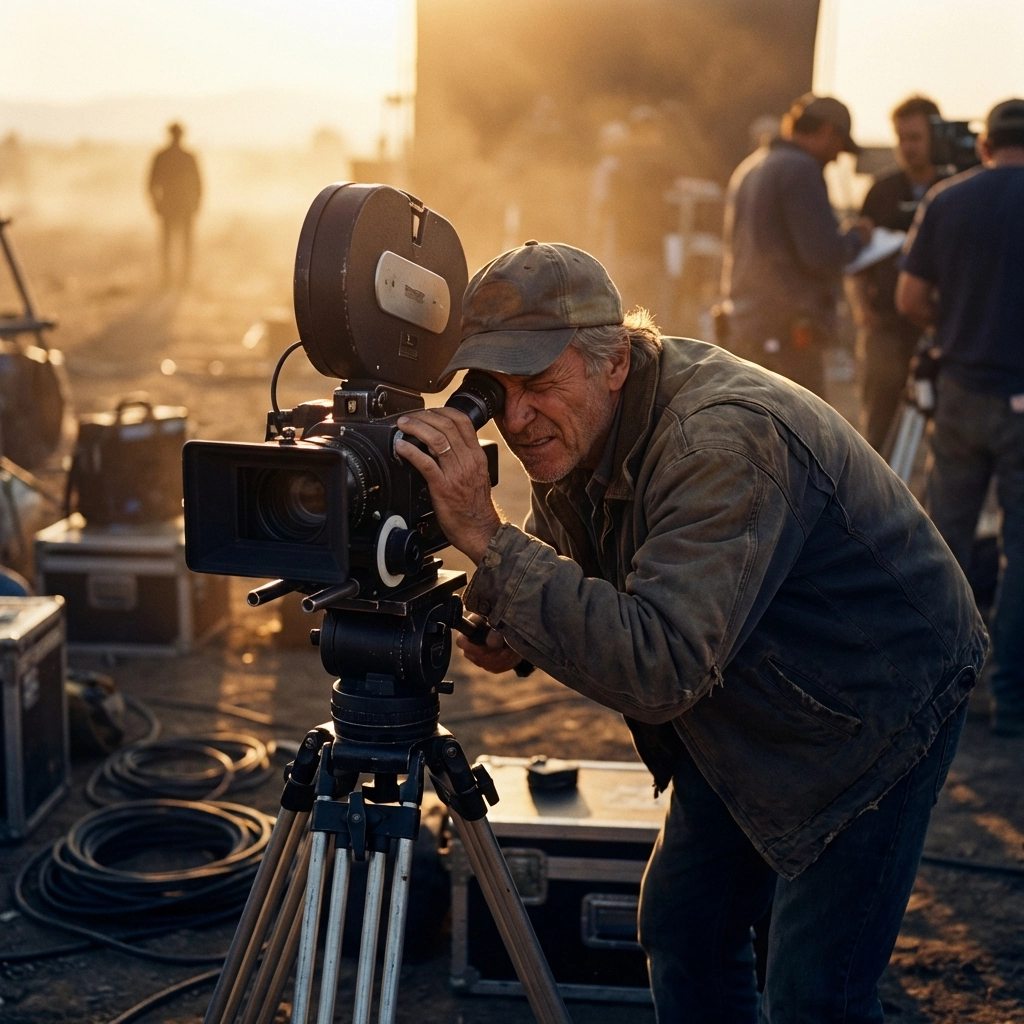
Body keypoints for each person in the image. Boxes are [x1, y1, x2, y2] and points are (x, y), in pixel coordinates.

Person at [394, 240, 986, 1021]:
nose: (516, 418)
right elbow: (580, 553)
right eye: (492, 391)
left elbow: (661, 665)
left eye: (537, 383)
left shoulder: (720, 442)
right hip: (742, 682)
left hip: (871, 701)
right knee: (684, 927)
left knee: (814, 988)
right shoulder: (587, 424)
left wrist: (485, 537)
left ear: (614, 361)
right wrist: (518, 619)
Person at [897, 98, 1024, 737]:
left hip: (962, 391)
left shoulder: (948, 199)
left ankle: (941, 688)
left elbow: (909, 296)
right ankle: (1014, 704)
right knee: (1022, 554)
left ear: (984, 145)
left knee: (944, 541)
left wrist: (953, 324)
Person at [720, 94, 872, 396]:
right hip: (788, 335)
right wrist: (857, 238)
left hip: (745, 326)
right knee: (798, 433)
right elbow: (821, 254)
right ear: (828, 130)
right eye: (840, 144)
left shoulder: (751, 166)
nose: (838, 156)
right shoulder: (801, 169)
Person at [849, 96, 942, 450]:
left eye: (915, 137)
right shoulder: (882, 191)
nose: (908, 147)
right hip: (886, 328)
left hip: (939, 328)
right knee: (877, 429)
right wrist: (862, 310)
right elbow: (859, 260)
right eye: (901, 138)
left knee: (945, 435)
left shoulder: (954, 188)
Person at [147, 122, 202, 286]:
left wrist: (156, 203)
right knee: (174, 244)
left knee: (177, 244)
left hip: (177, 206)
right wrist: (156, 203)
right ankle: (171, 279)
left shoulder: (165, 156)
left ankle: (180, 279)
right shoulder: (181, 157)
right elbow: (151, 183)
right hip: (175, 206)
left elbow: (198, 184)